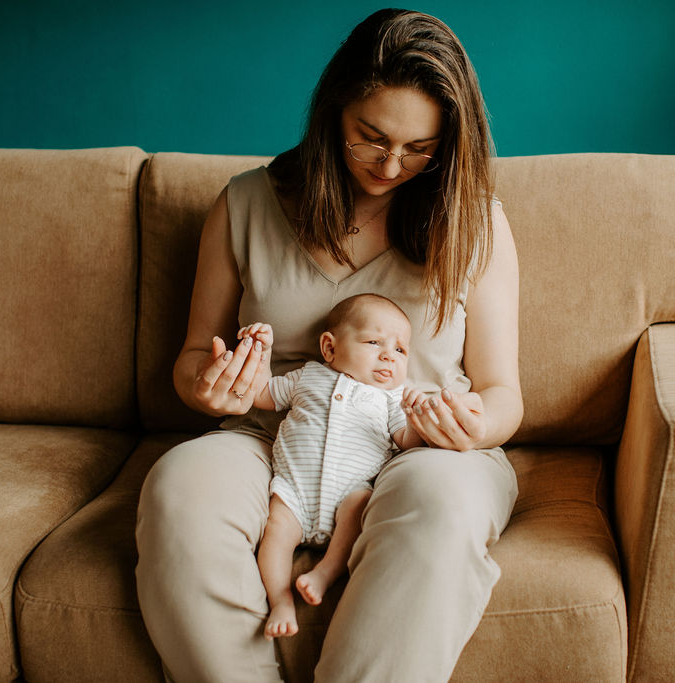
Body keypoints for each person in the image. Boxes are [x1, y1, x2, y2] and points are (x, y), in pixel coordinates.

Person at [135, 8, 522, 682]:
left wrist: (474, 424)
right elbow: (194, 357)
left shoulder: (476, 219)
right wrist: (207, 382)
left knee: (443, 508)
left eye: (420, 148)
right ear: (334, 110)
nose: (392, 164)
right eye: (371, 137)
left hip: (419, 447)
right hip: (270, 435)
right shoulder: (246, 203)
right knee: (177, 491)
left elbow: (502, 392)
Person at [238, 294, 425, 640]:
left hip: (348, 494)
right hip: (294, 491)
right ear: (329, 348)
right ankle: (280, 600)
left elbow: (406, 439)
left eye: (401, 350)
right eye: (374, 342)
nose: (389, 355)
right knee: (276, 532)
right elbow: (263, 393)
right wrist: (260, 354)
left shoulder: (391, 399)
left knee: (360, 505)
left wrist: (419, 418)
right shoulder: (308, 377)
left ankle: (325, 572)